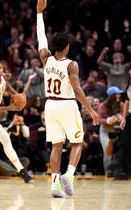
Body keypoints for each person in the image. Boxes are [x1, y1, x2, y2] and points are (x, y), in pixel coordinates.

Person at [36, 0, 100, 198]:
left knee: (56, 145)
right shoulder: (71, 65)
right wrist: (91, 110)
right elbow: (78, 89)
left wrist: (39, 14)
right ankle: (69, 174)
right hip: (67, 104)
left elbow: (41, 39)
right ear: (66, 47)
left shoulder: (45, 59)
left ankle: (55, 185)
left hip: (50, 106)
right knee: (77, 142)